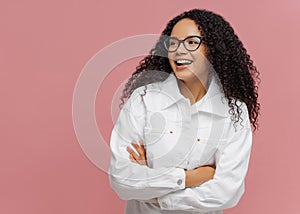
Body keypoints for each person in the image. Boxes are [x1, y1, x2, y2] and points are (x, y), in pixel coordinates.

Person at [108, 8, 260, 214]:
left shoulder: (234, 113)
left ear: (213, 49)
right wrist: (189, 178)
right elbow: (121, 179)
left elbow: (227, 191)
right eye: (173, 43)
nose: (179, 51)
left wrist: (153, 190)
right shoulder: (144, 100)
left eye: (191, 42)